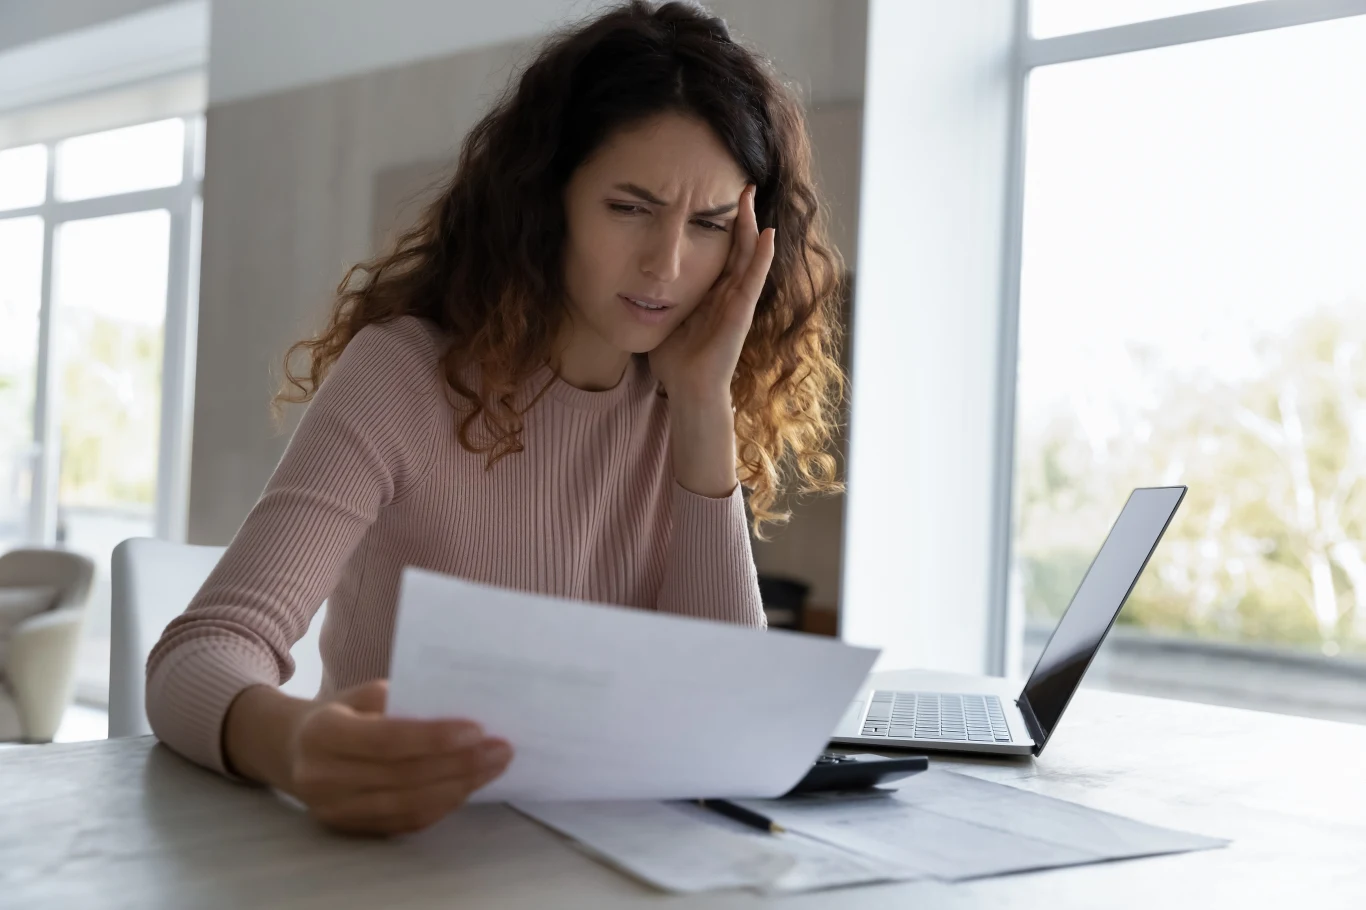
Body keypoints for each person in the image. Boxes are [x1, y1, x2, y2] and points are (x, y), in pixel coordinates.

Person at [145, 0, 845, 837]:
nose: (666, 264)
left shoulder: (684, 408)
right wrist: (296, 744)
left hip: (601, 869)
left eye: (707, 225)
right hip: (403, 859)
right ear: (547, 200)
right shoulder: (401, 376)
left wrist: (701, 409)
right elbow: (199, 653)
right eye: (629, 207)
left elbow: (727, 722)